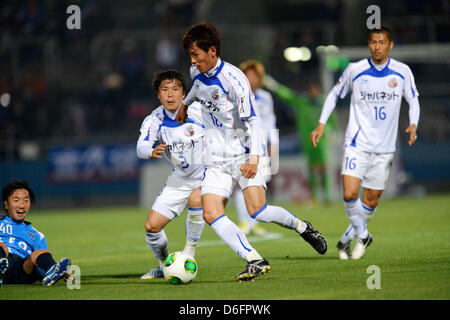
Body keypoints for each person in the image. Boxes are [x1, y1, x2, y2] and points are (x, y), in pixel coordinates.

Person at [176, 22, 327, 281]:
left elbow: (254, 122)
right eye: (190, 55)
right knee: (211, 212)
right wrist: (185, 105)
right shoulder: (196, 72)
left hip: (243, 153)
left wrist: (254, 160)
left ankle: (303, 227)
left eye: (196, 55)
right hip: (216, 158)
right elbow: (198, 89)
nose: (193, 61)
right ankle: (254, 259)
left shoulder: (235, 80)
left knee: (259, 211)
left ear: (212, 51)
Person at [310, 26, 420, 260]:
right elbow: (332, 94)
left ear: (390, 45)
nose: (376, 47)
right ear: (369, 44)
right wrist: (321, 123)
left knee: (370, 201)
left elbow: (413, 99)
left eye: (381, 42)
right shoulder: (355, 69)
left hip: (384, 149)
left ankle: (347, 239)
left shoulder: (402, 71)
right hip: (356, 144)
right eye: (372, 42)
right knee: (350, 194)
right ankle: (364, 235)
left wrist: (414, 123)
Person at [137, 69, 206, 279]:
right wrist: (150, 151)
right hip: (180, 178)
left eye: (175, 89)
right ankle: (165, 264)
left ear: (184, 93)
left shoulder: (197, 112)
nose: (170, 95)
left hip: (208, 174)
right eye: (164, 90)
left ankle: (188, 255)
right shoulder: (154, 119)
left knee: (197, 199)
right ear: (158, 95)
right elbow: (141, 147)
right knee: (152, 226)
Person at [263, 76, 339, 204]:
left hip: (322, 140)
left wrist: (334, 133)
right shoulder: (303, 102)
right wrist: (274, 86)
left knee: (323, 167)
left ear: (318, 91)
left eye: (315, 90)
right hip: (308, 140)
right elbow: (288, 95)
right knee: (312, 169)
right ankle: (314, 196)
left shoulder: (324, 103)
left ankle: (326, 197)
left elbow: (332, 119)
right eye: (311, 90)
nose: (313, 93)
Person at [233, 59, 279, 236]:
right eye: (248, 75)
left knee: (259, 184)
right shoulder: (237, 97)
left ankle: (253, 222)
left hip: (261, 146)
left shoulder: (266, 97)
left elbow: (269, 122)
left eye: (255, 76)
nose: (252, 79)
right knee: (241, 183)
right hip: (241, 145)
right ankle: (243, 221)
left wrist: (273, 144)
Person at [0, 179, 71, 287]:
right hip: (2, 256)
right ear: (6, 204)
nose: (22, 205)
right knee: (2, 247)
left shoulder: (37, 236)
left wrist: (57, 270)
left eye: (26, 200)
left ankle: (51, 273)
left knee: (40, 252)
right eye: (16, 200)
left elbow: (40, 259)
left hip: (20, 268)